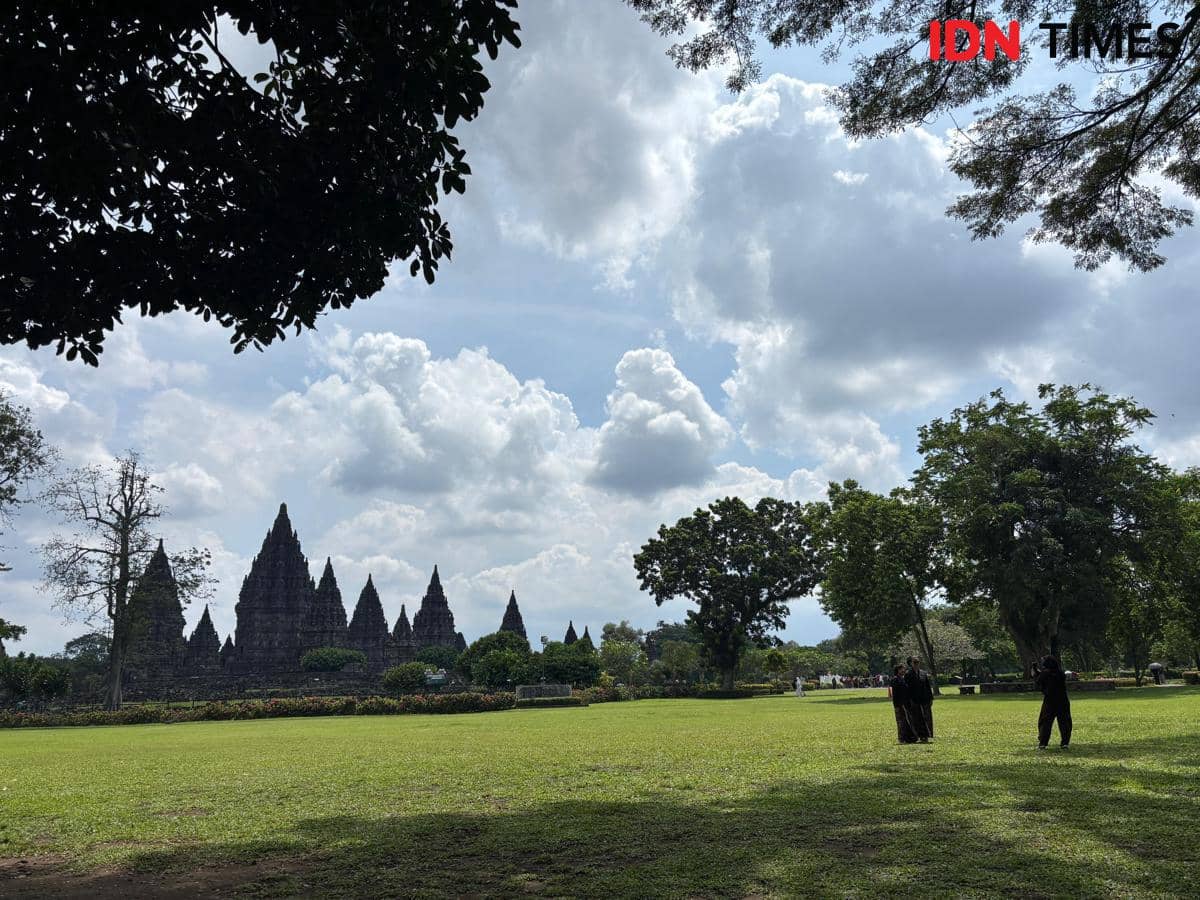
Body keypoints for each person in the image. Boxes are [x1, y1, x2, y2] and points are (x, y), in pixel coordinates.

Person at [1035, 655, 1072, 750]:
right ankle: (1065, 742)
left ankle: (1043, 742)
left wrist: (1037, 673)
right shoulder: (1060, 673)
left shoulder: (1045, 673)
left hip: (1049, 701)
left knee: (1045, 722)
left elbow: (1038, 682)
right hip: (1062, 700)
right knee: (1065, 722)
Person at [905, 656, 935, 741]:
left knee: (927, 717)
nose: (916, 664)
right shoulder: (908, 674)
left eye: (917, 662)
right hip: (914, 700)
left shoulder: (923, 673)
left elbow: (928, 686)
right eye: (914, 662)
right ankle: (921, 735)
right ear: (911, 663)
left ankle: (928, 734)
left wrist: (931, 698)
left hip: (925, 699)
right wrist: (909, 700)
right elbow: (907, 689)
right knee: (918, 718)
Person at [889, 664, 918, 744]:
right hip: (899, 704)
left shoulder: (903, 679)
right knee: (901, 722)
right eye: (902, 669)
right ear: (898, 670)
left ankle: (909, 738)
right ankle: (901, 738)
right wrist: (899, 704)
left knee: (907, 721)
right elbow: (895, 694)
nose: (904, 671)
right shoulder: (895, 680)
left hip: (906, 703)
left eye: (904, 669)